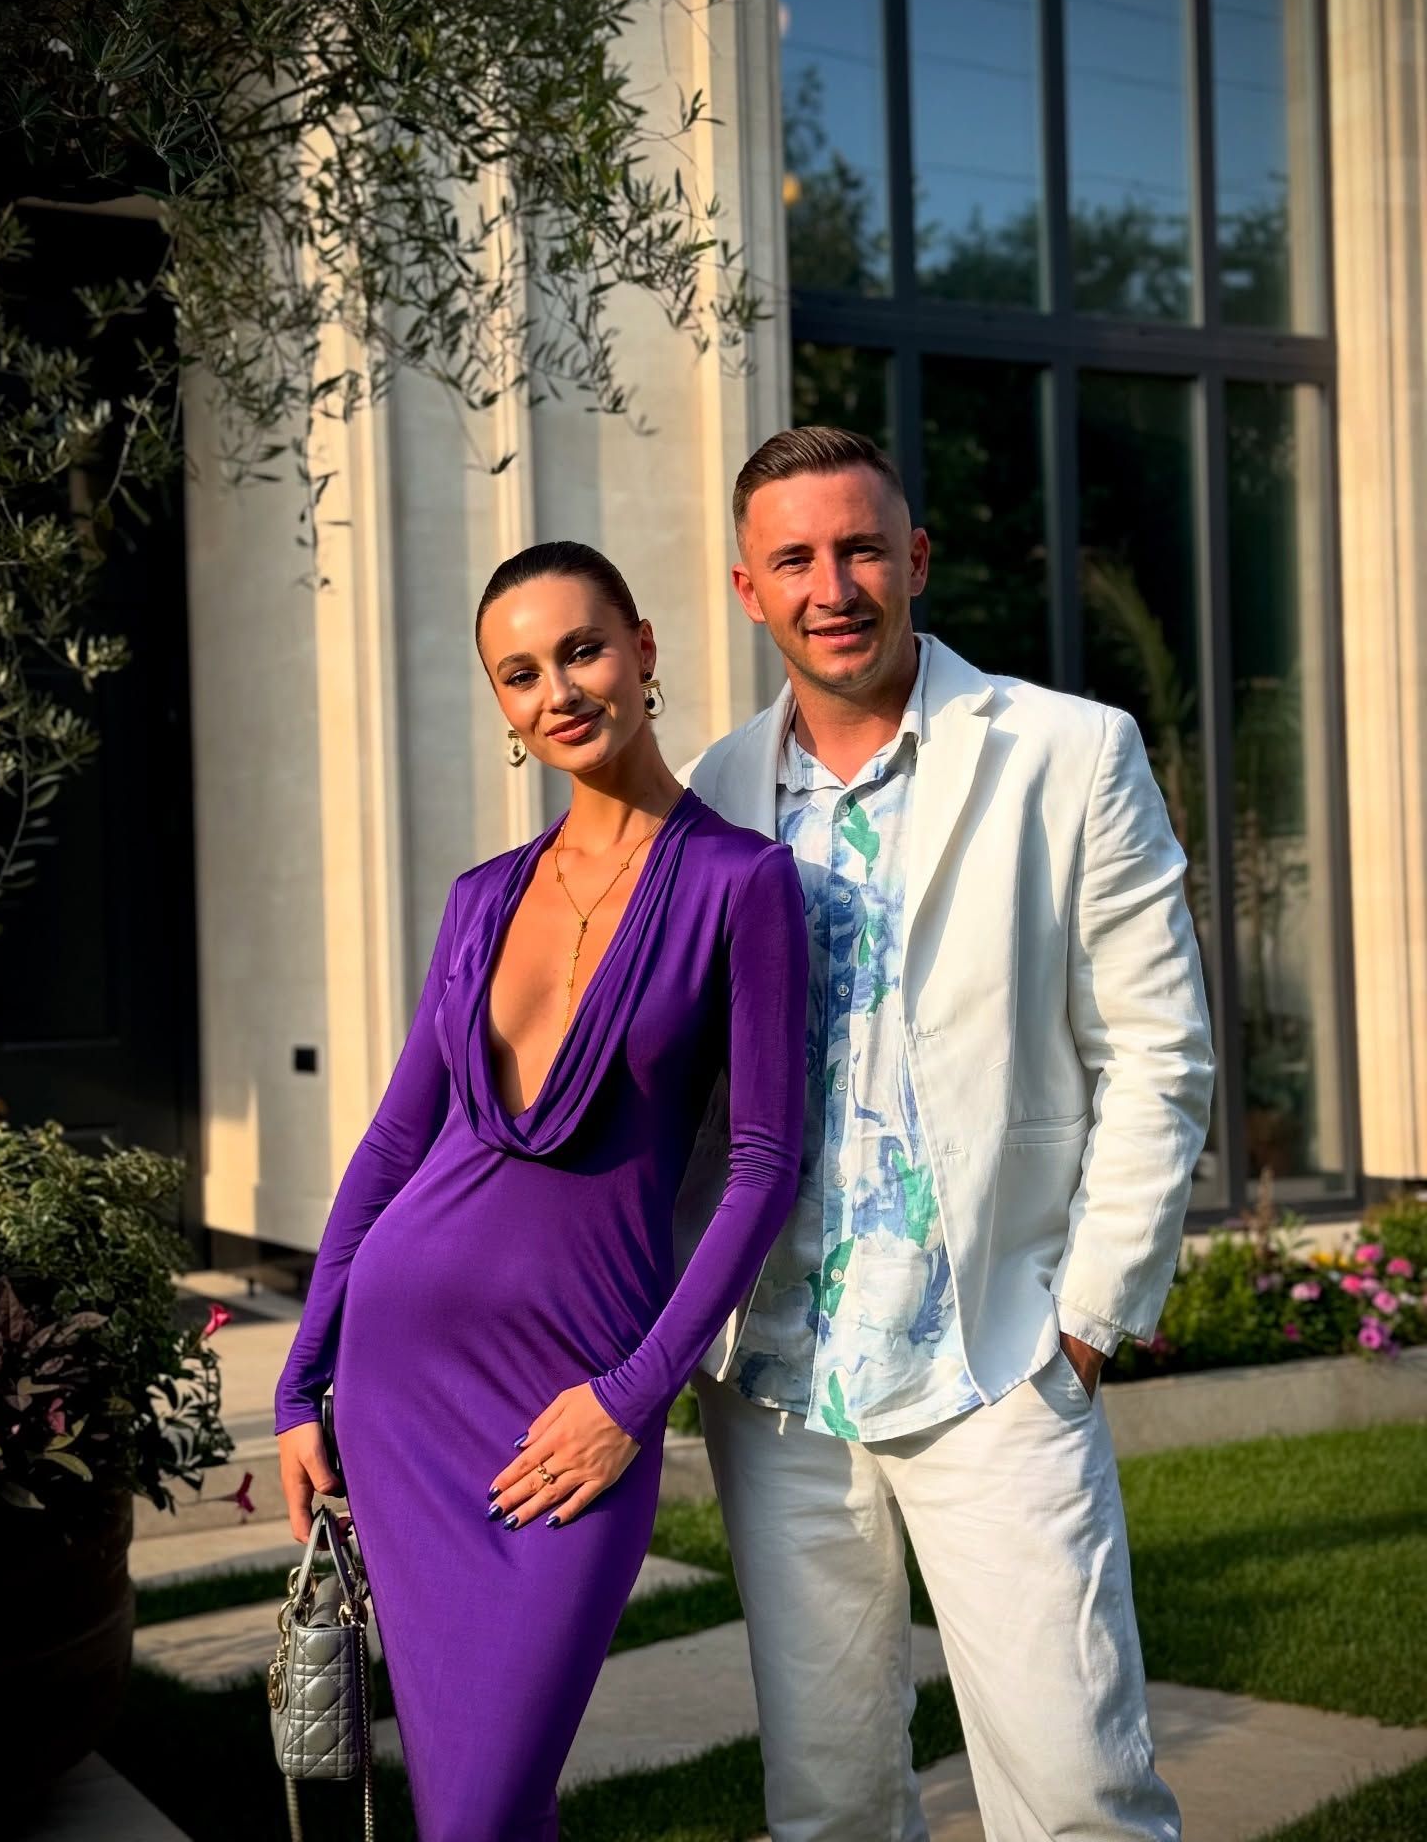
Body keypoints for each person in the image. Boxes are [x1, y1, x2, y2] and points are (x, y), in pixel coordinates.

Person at [673, 426, 1215, 1841]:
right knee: (829, 1806)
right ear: (747, 588)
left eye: (860, 549)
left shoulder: (1069, 753)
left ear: (914, 558)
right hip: (777, 1384)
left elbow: (1160, 1052)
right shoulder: (710, 795)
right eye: (795, 559)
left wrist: (1087, 1316)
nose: (832, 586)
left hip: (997, 1360)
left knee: (1080, 1794)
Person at [273, 540, 808, 1842]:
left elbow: (764, 1164)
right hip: (402, 1389)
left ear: (642, 649)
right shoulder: (480, 901)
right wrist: (301, 1379)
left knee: (484, 1800)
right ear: (503, 707)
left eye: (581, 651)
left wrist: (635, 1395)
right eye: (520, 674)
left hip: (576, 1393)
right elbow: (393, 1148)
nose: (558, 692)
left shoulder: (742, 884)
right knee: (475, 1806)